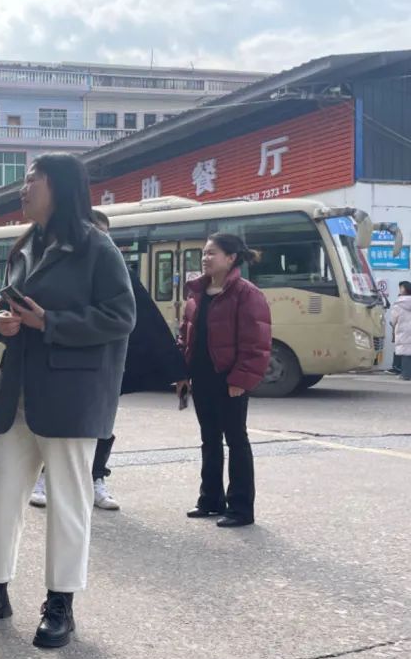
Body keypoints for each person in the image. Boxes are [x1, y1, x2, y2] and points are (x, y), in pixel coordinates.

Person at [0, 154, 136, 648]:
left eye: (32, 180)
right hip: (17, 392)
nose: (24, 188)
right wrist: (0, 323)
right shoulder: (24, 246)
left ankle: (61, 603)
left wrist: (50, 323)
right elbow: (5, 307)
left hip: (70, 396)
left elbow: (122, 316)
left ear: (60, 186)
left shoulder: (96, 247)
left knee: (68, 502)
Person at [30, 209, 186, 512]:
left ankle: (97, 477)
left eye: (104, 234)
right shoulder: (63, 270)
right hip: (64, 363)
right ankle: (46, 477)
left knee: (100, 424)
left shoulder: (117, 271)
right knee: (60, 424)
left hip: (104, 366)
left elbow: (149, 320)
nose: (99, 239)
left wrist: (177, 368)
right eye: (93, 232)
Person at [179, 233, 272, 527]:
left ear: (231, 258)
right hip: (201, 378)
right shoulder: (197, 293)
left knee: (236, 440)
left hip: (229, 380)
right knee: (209, 439)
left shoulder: (247, 294)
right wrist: (181, 374)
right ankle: (210, 501)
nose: (205, 258)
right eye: (204, 253)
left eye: (212, 253)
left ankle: (240, 509)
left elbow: (256, 342)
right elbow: (185, 336)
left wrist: (240, 380)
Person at [390, 281, 411, 380]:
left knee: (405, 352)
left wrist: (393, 324)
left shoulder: (399, 303)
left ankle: (406, 374)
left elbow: (393, 319)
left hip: (403, 331)